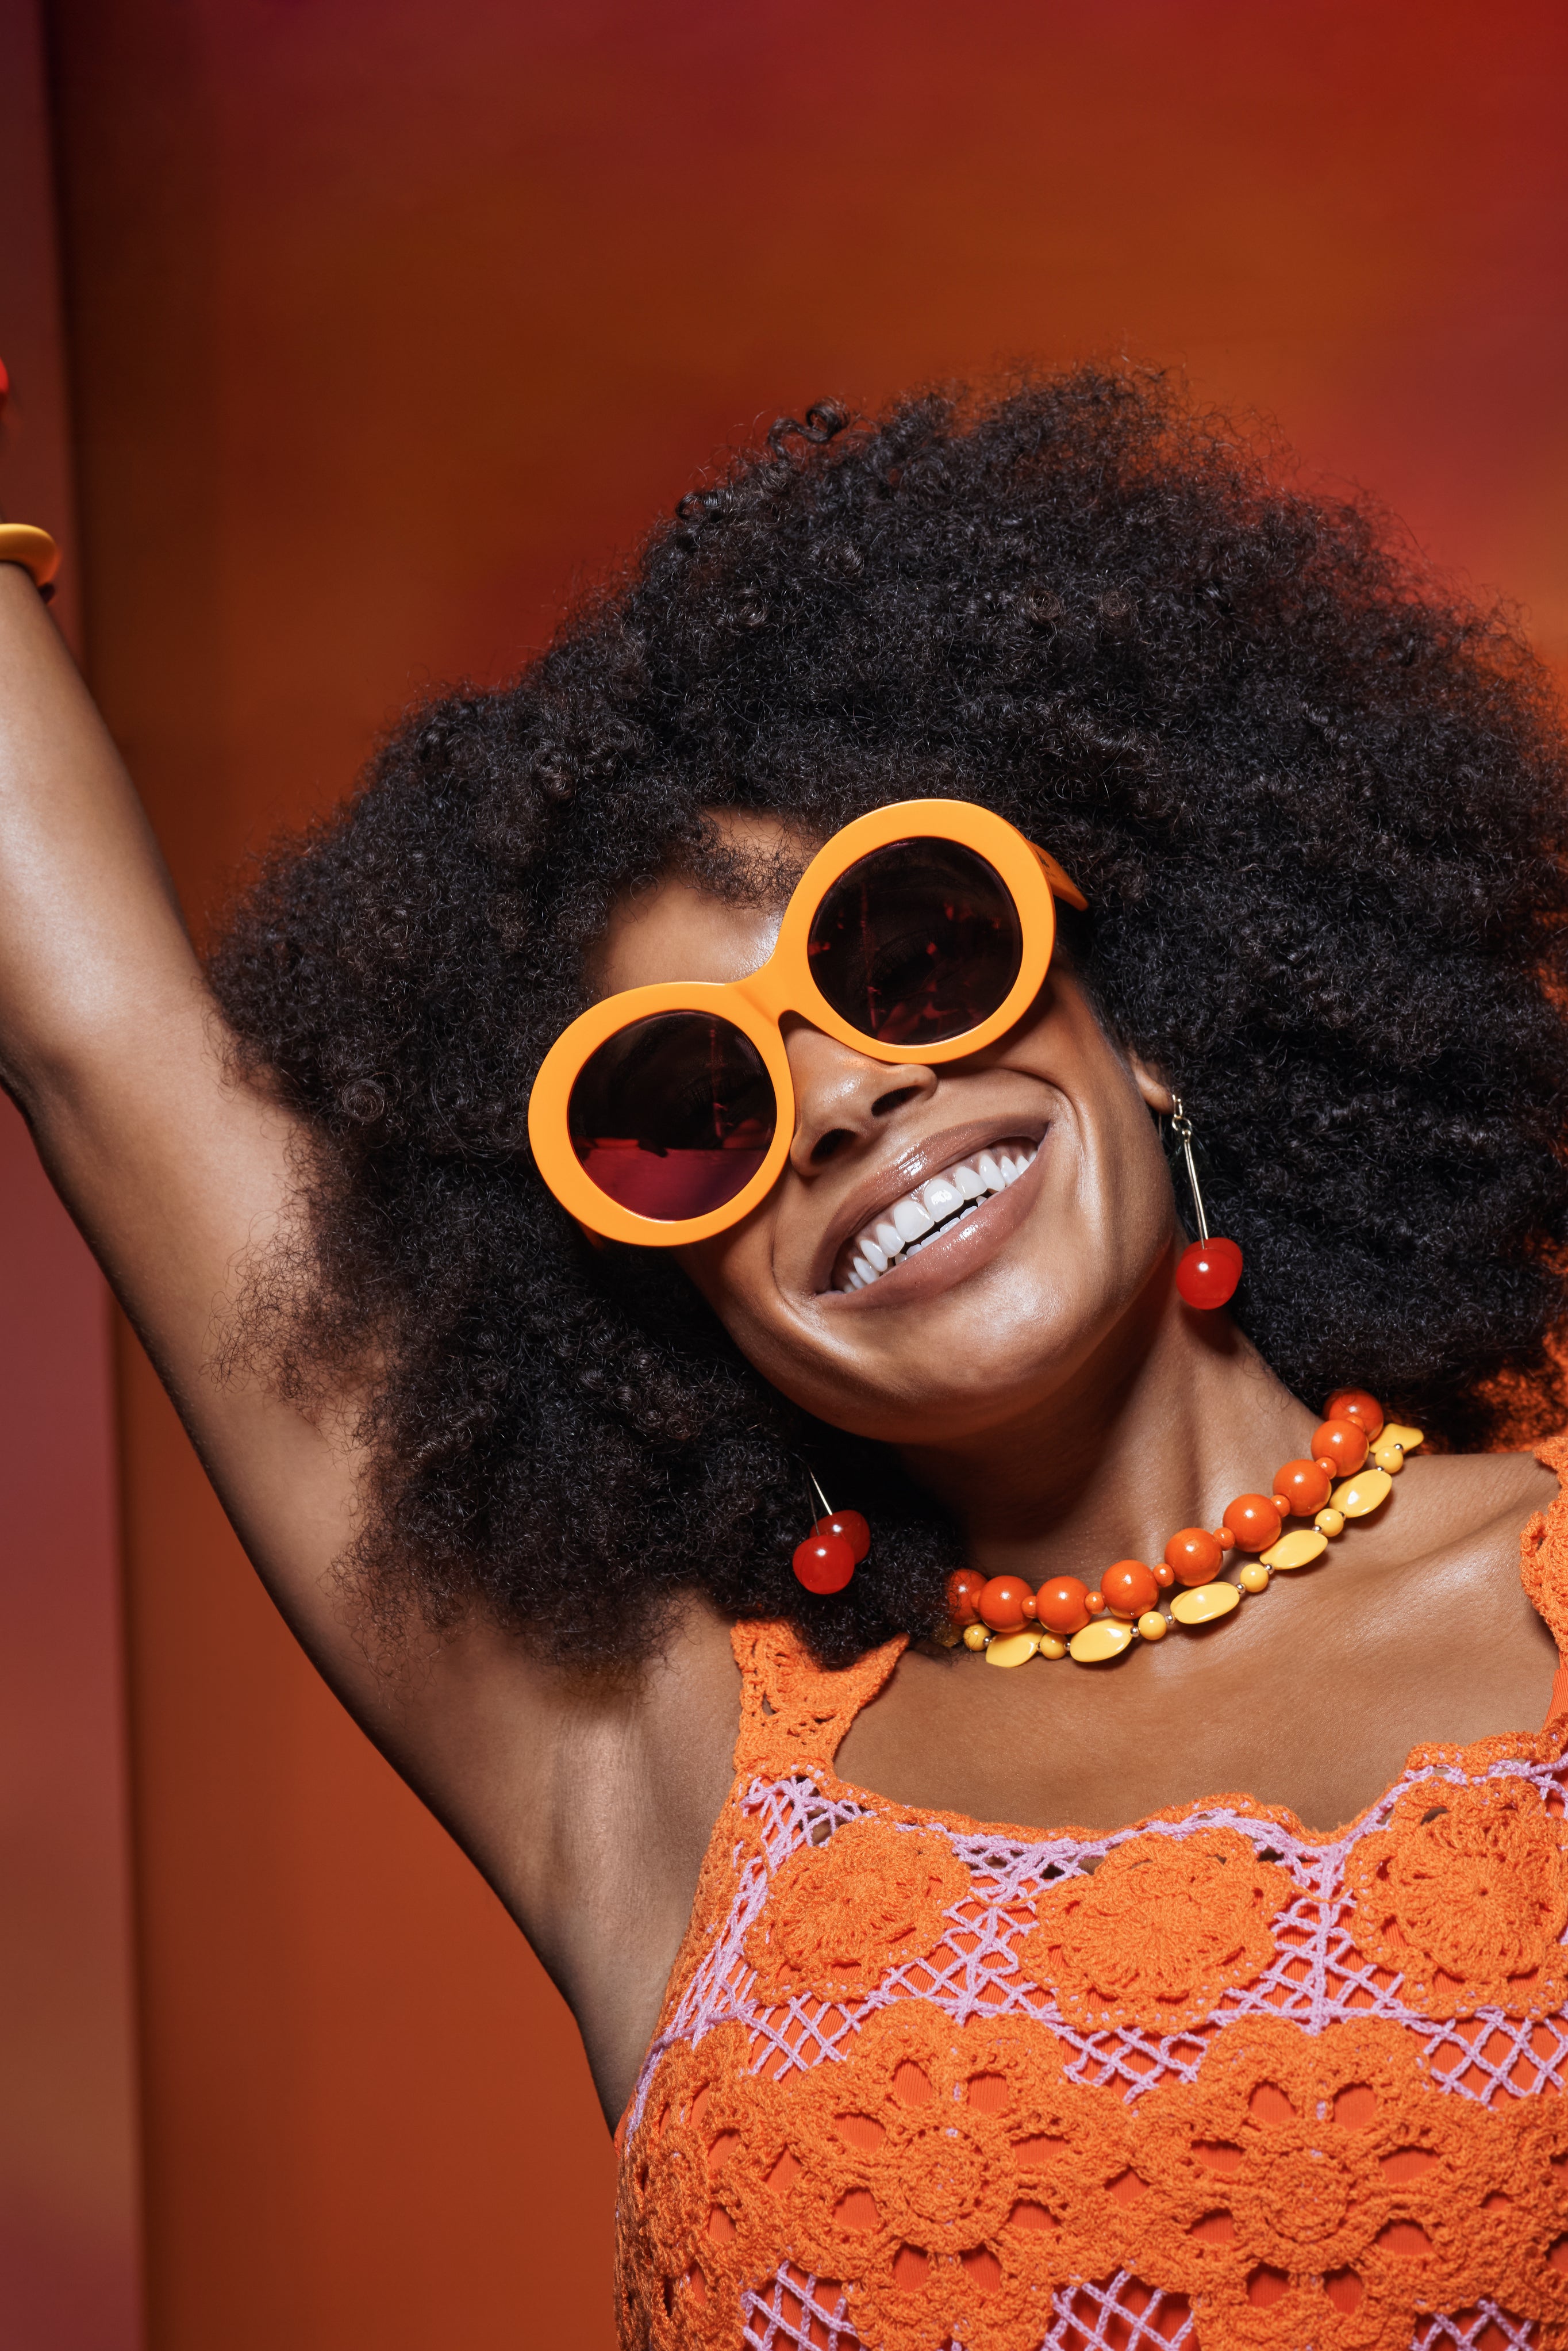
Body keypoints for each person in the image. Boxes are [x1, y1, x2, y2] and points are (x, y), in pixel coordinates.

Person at [2, 369, 1566, 2348]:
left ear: (1146, 1014)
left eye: (911, 953)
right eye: (688, 1114)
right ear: (684, 1290)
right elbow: (100, 1039)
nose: (839, 1101)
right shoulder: (655, 1769)